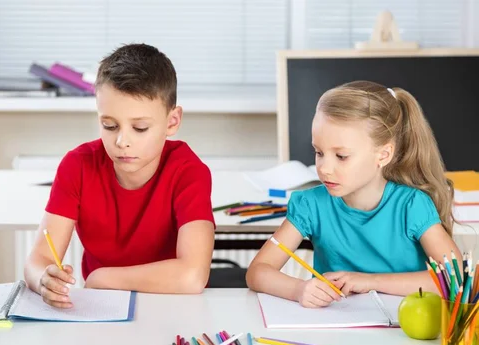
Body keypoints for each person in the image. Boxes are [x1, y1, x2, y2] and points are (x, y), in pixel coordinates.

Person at [25, 44, 215, 308]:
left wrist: (103, 278)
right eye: (109, 125)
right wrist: (43, 279)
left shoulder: (189, 172)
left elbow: (192, 276)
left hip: (170, 306)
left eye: (140, 128)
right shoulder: (77, 165)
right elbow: (39, 259)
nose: (122, 141)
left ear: (172, 121)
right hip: (102, 308)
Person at [246, 80, 461, 308]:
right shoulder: (311, 205)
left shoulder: (411, 205)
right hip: (336, 330)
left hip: (403, 330)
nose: (324, 168)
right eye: (318, 152)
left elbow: (455, 279)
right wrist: (298, 289)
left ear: (384, 154)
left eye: (342, 156)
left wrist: (370, 281)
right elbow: (257, 272)